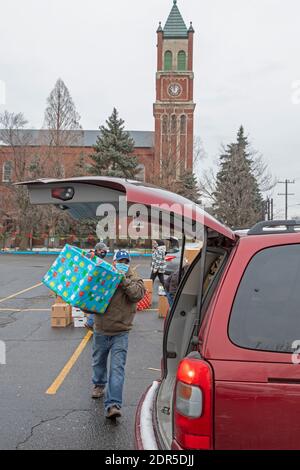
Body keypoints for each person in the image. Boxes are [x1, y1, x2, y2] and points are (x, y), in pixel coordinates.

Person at [91, 250, 145, 420]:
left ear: (128, 263)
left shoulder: (134, 278)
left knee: (117, 368)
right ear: (113, 262)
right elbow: (91, 296)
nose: (122, 263)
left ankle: (113, 404)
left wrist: (124, 280)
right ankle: (99, 384)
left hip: (121, 332)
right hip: (101, 329)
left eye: (125, 261)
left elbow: (137, 294)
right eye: (119, 260)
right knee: (98, 361)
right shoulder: (104, 275)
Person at [85, 242, 109, 330]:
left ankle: (91, 322)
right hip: (90, 283)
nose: (105, 252)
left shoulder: (98, 258)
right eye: (103, 251)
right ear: (98, 250)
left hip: (95, 283)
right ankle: (90, 322)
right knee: (97, 301)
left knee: (96, 301)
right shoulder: (91, 255)